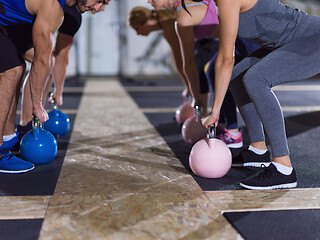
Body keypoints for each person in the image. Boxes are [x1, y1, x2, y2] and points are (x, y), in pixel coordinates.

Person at [200, 0, 320, 189]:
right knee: (237, 78)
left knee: (256, 78)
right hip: (291, 42)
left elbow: (225, 59)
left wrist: (215, 111)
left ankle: (283, 168)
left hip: (313, 38)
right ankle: (258, 150)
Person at [0, 0, 108, 173]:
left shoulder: (62, 10)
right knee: (11, 71)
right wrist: (38, 105)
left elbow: (45, 58)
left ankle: (8, 138)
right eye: (100, 0)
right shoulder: (52, 7)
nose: (98, 8)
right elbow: (41, 59)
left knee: (17, 65)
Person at [128, 6, 214, 116]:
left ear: (145, 22)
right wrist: (188, 86)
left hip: (212, 36)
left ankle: (203, 114)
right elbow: (179, 61)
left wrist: (191, 88)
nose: (138, 33)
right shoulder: (167, 25)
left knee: (198, 68)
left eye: (137, 29)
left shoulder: (169, 23)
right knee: (197, 69)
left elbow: (183, 61)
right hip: (206, 38)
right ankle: (203, 113)